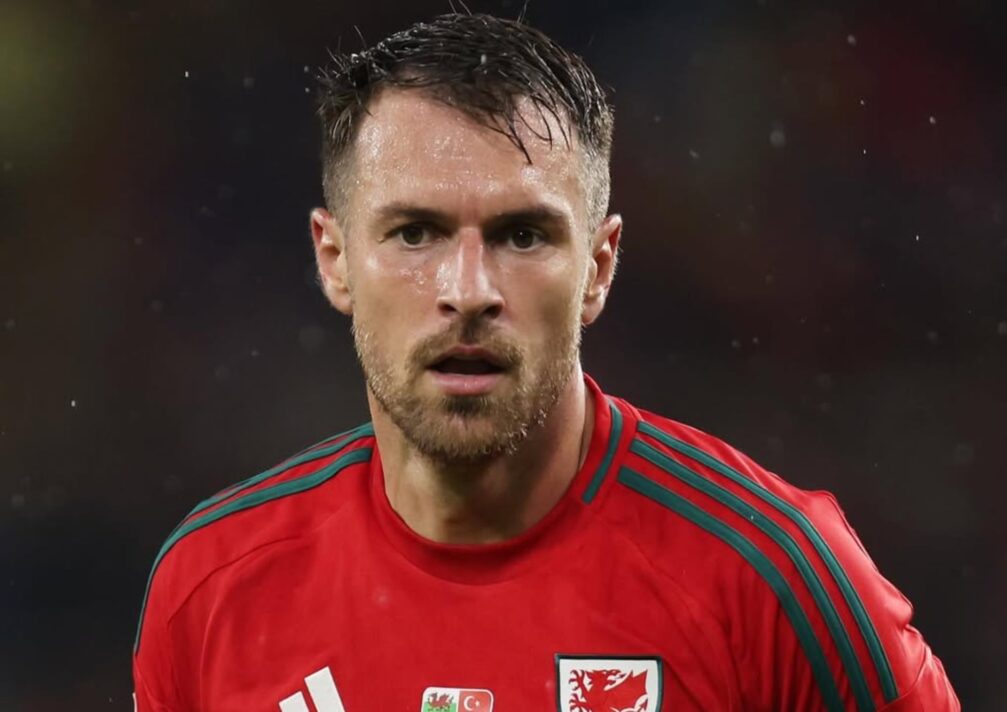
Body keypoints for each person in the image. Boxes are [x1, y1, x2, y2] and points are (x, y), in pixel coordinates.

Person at [133, 13, 959, 712]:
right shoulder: (208, 591)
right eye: (414, 232)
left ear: (598, 268)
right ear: (335, 258)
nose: (467, 290)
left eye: (521, 235)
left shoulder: (775, 575)